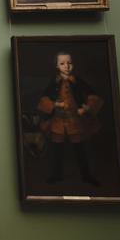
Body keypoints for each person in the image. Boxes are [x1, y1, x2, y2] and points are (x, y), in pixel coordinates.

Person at [37, 51, 103, 186]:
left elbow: (92, 95)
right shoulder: (54, 82)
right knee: (57, 151)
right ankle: (56, 175)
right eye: (62, 63)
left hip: (75, 121)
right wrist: (56, 105)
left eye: (69, 63)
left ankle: (86, 176)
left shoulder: (77, 81)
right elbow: (44, 99)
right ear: (57, 66)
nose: (66, 66)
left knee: (80, 150)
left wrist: (85, 108)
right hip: (58, 122)